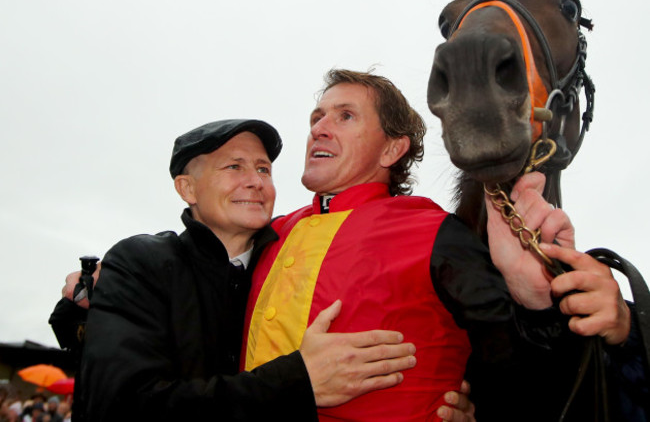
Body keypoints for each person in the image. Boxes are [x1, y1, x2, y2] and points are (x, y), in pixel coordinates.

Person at [241, 68, 644, 421]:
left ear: (392, 149)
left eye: (345, 116)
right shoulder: (266, 234)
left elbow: (514, 365)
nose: (319, 128)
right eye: (318, 117)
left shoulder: (437, 232)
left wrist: (484, 410)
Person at [59, 118, 423, 422]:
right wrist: (298, 381)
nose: (255, 181)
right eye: (234, 166)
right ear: (188, 188)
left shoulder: (293, 263)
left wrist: (446, 397)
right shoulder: (142, 262)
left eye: (263, 168)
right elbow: (118, 407)